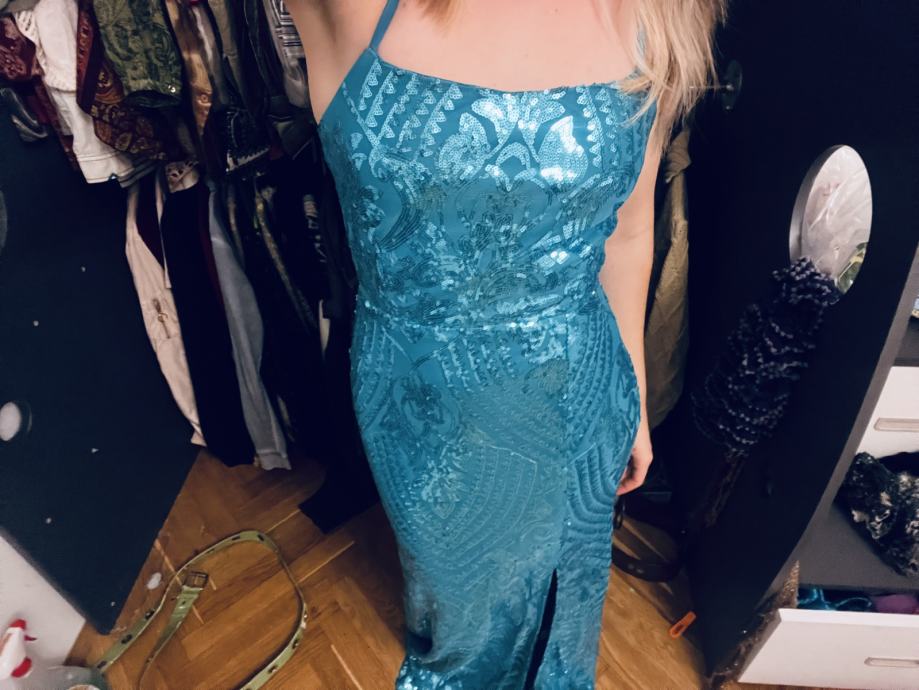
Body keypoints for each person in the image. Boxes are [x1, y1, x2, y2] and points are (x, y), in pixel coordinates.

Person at [287, 1, 722, 687]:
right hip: (425, 413)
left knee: (567, 588)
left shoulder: (658, 15)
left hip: (582, 393)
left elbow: (629, 231)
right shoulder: (357, 10)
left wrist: (634, 396)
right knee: (458, 603)